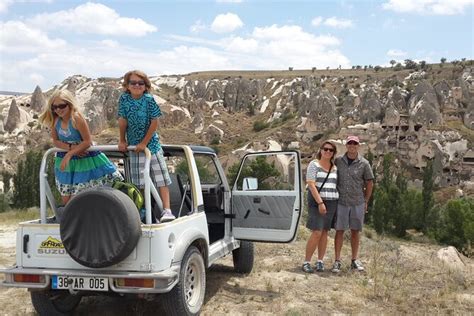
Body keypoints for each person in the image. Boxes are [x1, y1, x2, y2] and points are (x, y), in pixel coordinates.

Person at [39, 89, 123, 205]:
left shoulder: (76, 118)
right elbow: (56, 141)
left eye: (62, 106)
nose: (58, 110)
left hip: (83, 161)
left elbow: (87, 141)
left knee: (77, 199)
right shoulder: (55, 121)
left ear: (70, 104)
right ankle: (71, 221)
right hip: (65, 161)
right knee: (66, 199)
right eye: (54, 107)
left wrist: (70, 154)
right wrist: (72, 148)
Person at [117, 70, 175, 222]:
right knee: (139, 182)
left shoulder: (148, 99)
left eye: (140, 83)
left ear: (145, 85)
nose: (137, 85)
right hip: (134, 147)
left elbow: (154, 121)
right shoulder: (124, 99)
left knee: (161, 178)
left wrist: (144, 143)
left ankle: (167, 210)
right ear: (127, 85)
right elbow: (122, 120)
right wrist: (122, 140)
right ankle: (142, 212)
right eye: (133, 83)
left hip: (151, 146)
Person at [332, 135, 374, 273]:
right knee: (339, 231)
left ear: (358, 146)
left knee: (355, 231)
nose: (352, 145)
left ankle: (354, 260)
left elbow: (369, 182)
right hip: (341, 202)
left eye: (354, 143)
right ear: (346, 145)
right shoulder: (338, 161)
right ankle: (337, 261)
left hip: (357, 202)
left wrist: (366, 200)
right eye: (349, 143)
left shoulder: (364, 163)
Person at [302, 141, 339, 273]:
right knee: (317, 231)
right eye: (326, 149)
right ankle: (306, 262)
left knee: (324, 232)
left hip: (332, 201)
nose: (328, 152)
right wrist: (320, 203)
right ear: (321, 150)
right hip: (318, 201)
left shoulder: (334, 167)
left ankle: (320, 261)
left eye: (331, 150)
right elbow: (311, 184)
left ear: (334, 153)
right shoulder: (314, 164)